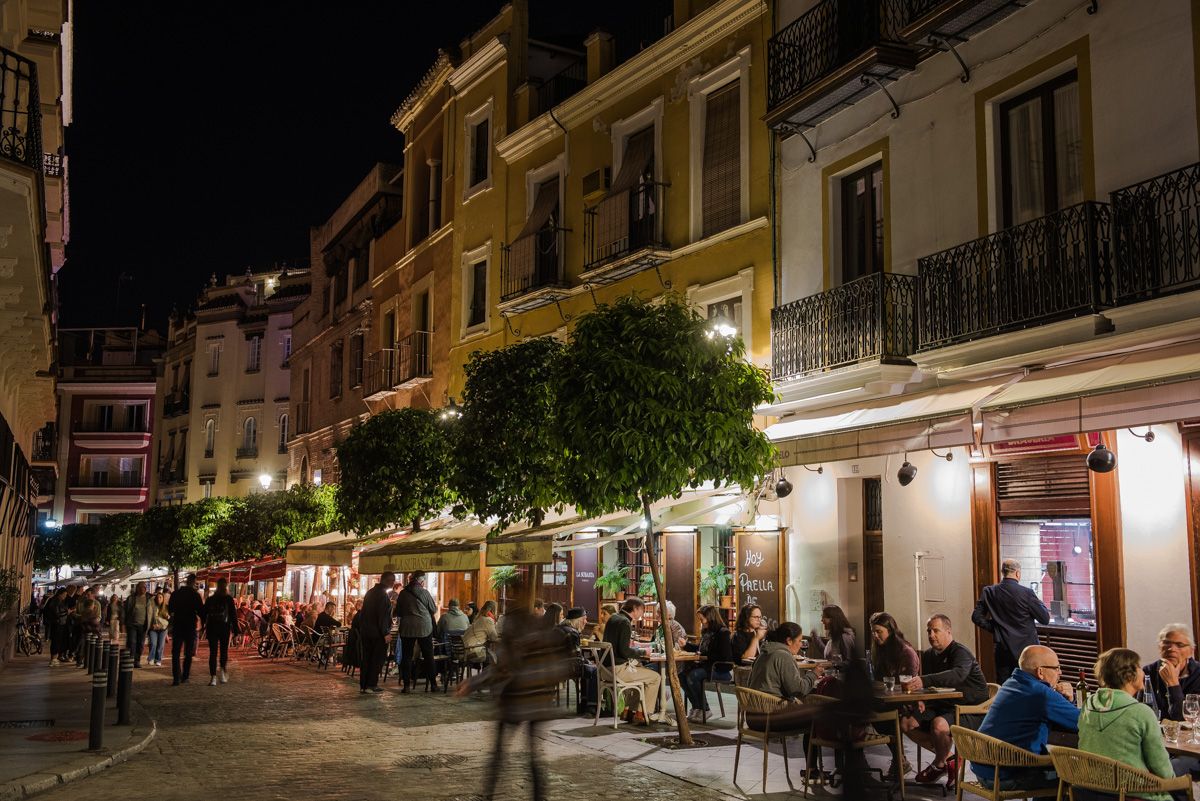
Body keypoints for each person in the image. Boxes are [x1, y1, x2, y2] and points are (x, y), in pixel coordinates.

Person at [460, 606, 573, 801]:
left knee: (499, 752)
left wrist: (472, 683)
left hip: (516, 701)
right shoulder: (547, 637)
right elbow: (560, 669)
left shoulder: (515, 639)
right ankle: (539, 796)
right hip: (539, 703)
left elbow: (501, 669)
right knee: (534, 755)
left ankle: (489, 793)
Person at [1079, 647, 1187, 801]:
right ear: (1129, 675)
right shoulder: (1140, 712)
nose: (1143, 672)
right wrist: (1177, 783)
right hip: (1132, 792)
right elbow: (1161, 766)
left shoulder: (1088, 704)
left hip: (1091, 791)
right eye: (1138, 667)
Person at [973, 645, 1079, 791]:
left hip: (984, 768)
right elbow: (1080, 722)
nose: (1060, 672)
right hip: (1006, 775)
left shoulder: (1010, 683)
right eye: (1056, 667)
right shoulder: (1041, 694)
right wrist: (1070, 698)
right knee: (1075, 776)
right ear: (1040, 672)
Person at [900, 614, 989, 785]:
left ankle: (938, 764)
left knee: (939, 725)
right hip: (943, 705)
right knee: (906, 722)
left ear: (948, 631)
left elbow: (957, 675)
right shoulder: (928, 655)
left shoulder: (961, 652)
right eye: (929, 631)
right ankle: (949, 758)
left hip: (970, 708)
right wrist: (921, 699)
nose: (931, 635)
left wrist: (925, 681)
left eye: (936, 630)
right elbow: (927, 687)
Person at [972, 558, 1049, 683]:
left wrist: (995, 628)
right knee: (1028, 687)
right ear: (1018, 573)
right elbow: (1044, 618)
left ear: (1003, 572)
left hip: (1003, 650)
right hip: (1026, 651)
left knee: (1006, 688)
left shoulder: (990, 592)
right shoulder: (1027, 593)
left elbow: (976, 616)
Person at [601, 598, 665, 724]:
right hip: (618, 670)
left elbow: (619, 646)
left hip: (604, 670)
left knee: (640, 677)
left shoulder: (613, 618)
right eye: (642, 610)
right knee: (655, 677)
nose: (642, 614)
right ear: (635, 609)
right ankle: (642, 714)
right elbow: (624, 651)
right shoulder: (625, 622)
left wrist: (636, 649)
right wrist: (643, 652)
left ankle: (628, 712)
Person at [682, 605, 734, 721]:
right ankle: (696, 707)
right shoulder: (706, 632)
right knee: (682, 675)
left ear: (710, 617)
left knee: (693, 676)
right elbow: (700, 649)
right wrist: (686, 645)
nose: (701, 622)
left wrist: (704, 657)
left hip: (719, 669)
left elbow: (724, 656)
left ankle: (705, 709)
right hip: (706, 666)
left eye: (702, 619)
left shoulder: (723, 633)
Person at [1143, 623, 1200, 722]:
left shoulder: (1198, 673)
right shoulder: (1147, 672)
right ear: (1159, 647)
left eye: (1179, 645)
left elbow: (1184, 718)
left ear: (1191, 651)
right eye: (1166, 643)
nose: (1171, 649)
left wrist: (1173, 684)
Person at [395, 570, 439, 693]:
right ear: (421, 581)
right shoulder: (424, 593)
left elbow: (398, 611)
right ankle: (434, 685)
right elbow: (433, 609)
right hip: (424, 627)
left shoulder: (403, 593)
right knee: (428, 655)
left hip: (407, 627)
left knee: (407, 656)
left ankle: (407, 686)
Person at [356, 571, 394, 694]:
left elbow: (363, 614)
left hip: (366, 632)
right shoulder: (382, 595)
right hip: (377, 633)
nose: (393, 583)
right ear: (386, 581)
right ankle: (371, 684)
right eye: (392, 580)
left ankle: (364, 685)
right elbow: (382, 616)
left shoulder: (370, 593)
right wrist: (386, 633)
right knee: (376, 659)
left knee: (367, 658)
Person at [167, 574, 205, 685]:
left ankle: (176, 677)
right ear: (193, 582)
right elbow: (201, 611)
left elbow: (170, 609)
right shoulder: (195, 595)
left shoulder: (176, 594)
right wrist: (203, 622)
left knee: (176, 652)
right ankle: (185, 676)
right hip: (190, 625)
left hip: (178, 624)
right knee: (188, 653)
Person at [201, 577, 239, 686]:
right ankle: (222, 672)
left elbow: (204, 613)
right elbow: (233, 615)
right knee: (223, 651)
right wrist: (236, 630)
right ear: (226, 586)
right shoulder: (228, 599)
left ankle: (213, 677)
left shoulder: (210, 599)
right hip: (224, 627)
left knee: (213, 652)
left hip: (212, 628)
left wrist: (203, 625)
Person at [869, 611, 921, 681]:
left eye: (879, 632)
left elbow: (906, 683)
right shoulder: (880, 649)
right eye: (873, 632)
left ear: (890, 631)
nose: (875, 635)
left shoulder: (906, 652)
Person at [124, 582, 152, 667]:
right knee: (132, 642)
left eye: (144, 587)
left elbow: (152, 612)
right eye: (141, 587)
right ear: (137, 588)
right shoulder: (131, 598)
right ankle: (131, 659)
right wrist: (125, 623)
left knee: (140, 643)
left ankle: (137, 660)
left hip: (143, 625)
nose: (143, 589)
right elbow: (126, 611)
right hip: (132, 624)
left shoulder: (149, 599)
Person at [464, 600, 501, 664]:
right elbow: (494, 638)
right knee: (491, 656)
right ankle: (487, 673)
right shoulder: (488, 620)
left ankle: (484, 672)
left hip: (464, 649)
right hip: (471, 651)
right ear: (494, 610)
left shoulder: (479, 617)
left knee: (488, 652)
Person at [42, 587, 69, 665]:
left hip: (58, 623)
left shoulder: (56, 600)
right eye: (64, 595)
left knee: (57, 641)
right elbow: (57, 613)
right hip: (57, 624)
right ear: (60, 594)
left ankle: (55, 658)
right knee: (56, 641)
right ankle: (53, 659)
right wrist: (67, 612)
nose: (65, 596)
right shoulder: (56, 601)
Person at [147, 589, 169, 667]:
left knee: (160, 645)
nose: (159, 599)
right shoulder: (152, 606)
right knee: (153, 643)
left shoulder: (166, 607)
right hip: (153, 629)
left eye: (160, 597)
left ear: (163, 599)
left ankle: (158, 659)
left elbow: (169, 620)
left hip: (163, 629)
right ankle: (151, 658)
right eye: (158, 597)